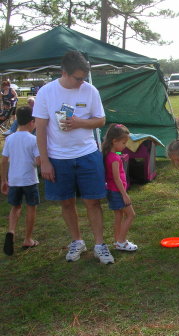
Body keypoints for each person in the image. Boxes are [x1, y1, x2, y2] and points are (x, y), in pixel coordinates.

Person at [33, 50, 114, 264]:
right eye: (78, 78)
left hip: (87, 154)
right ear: (64, 73)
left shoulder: (90, 91)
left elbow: (101, 120)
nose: (81, 83)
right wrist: (45, 161)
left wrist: (80, 123)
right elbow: (40, 129)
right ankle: (77, 241)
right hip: (58, 158)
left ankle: (99, 245)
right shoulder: (46, 92)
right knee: (66, 203)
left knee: (93, 202)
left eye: (84, 78)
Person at [2, 106, 40, 256]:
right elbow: (38, 162)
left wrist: (3, 179)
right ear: (32, 122)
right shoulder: (33, 140)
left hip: (14, 180)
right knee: (31, 207)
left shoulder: (10, 138)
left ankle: (11, 231)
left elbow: (4, 161)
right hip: (29, 180)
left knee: (15, 207)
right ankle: (27, 239)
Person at [102, 123, 137, 251]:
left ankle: (117, 240)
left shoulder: (109, 155)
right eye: (123, 142)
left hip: (111, 190)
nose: (125, 145)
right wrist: (124, 194)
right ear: (114, 141)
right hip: (117, 191)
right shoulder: (115, 158)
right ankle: (121, 242)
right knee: (131, 215)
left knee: (118, 216)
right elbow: (117, 178)